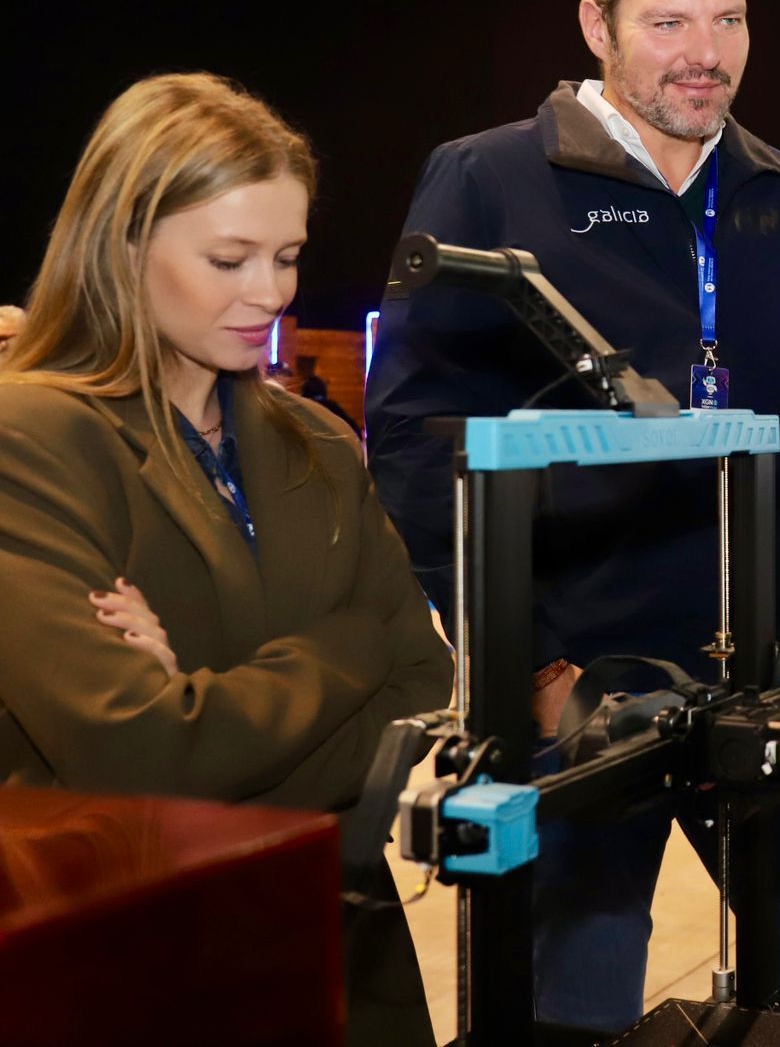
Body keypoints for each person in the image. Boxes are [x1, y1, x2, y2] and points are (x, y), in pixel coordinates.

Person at [365, 0, 780, 1032]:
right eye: (668, 23)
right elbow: (416, 439)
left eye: (728, 20)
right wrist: (532, 669)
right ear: (595, 25)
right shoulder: (488, 180)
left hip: (768, 684)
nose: (705, 54)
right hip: (577, 701)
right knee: (573, 1017)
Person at [0, 72, 454, 1046]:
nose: (271, 293)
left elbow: (425, 673)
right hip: (128, 963)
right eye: (228, 258)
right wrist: (349, 645)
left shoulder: (317, 441)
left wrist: (207, 714)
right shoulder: (29, 438)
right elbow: (139, 750)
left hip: (346, 951)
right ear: (123, 245)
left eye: (287, 256)